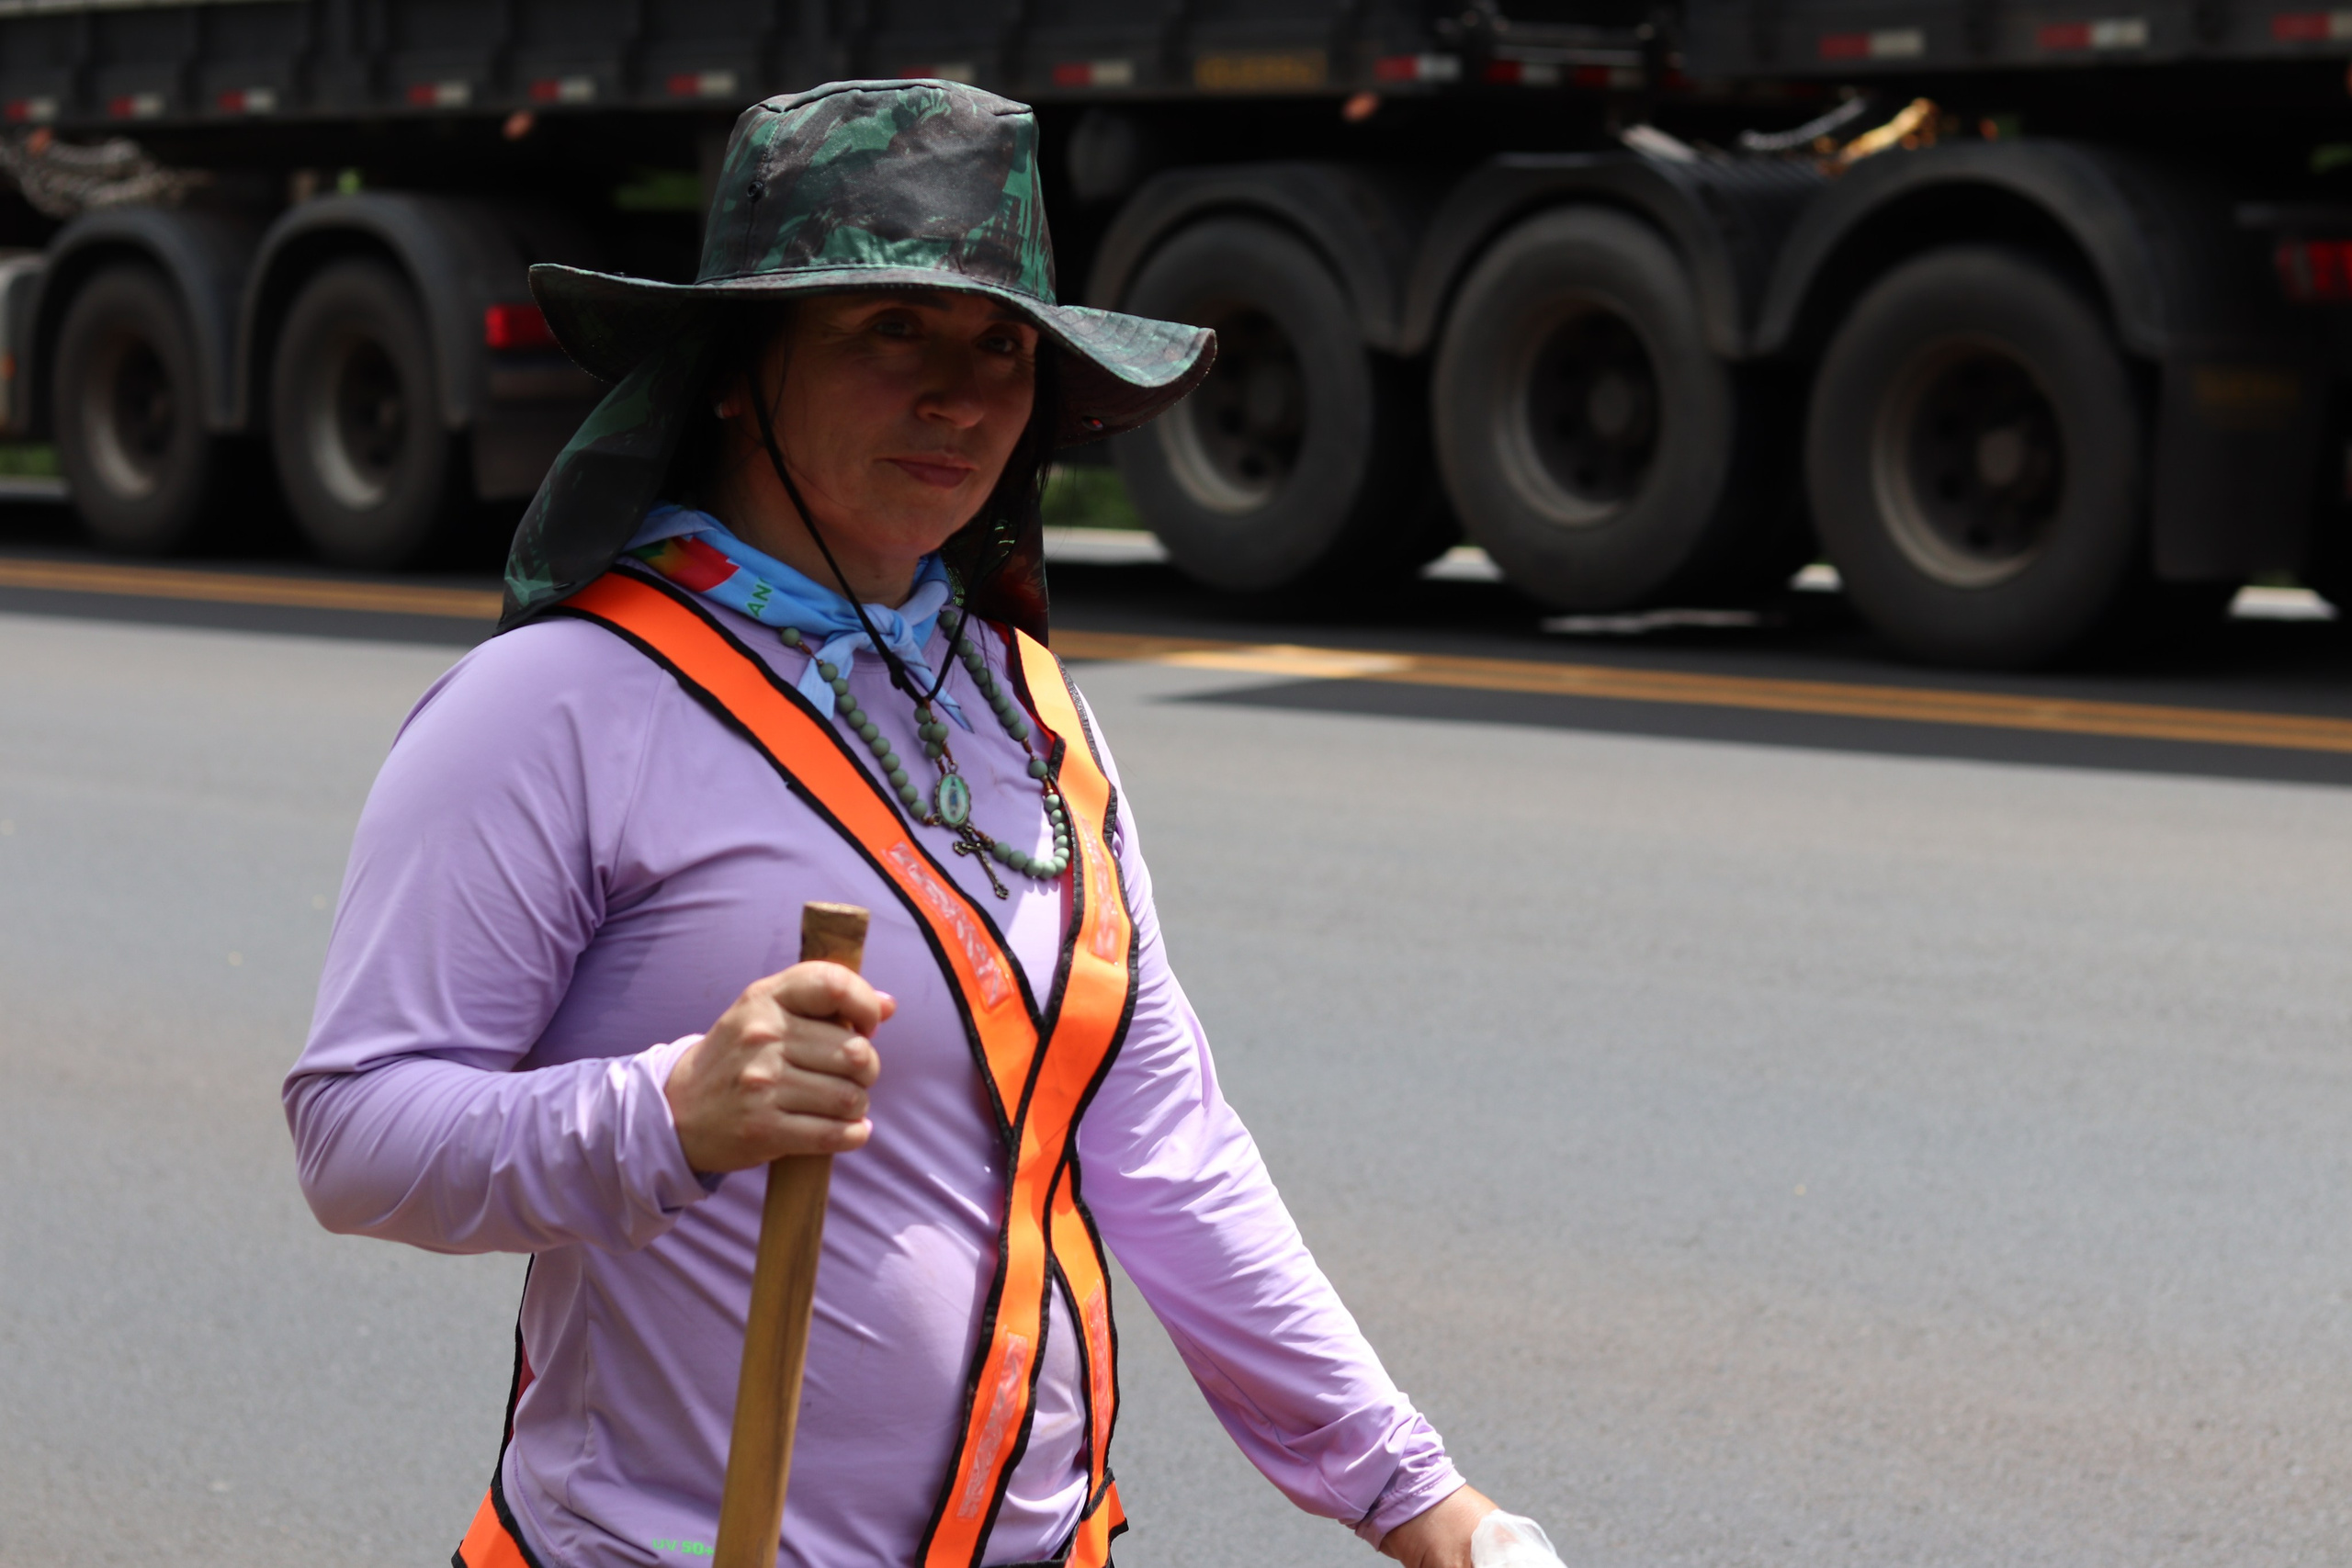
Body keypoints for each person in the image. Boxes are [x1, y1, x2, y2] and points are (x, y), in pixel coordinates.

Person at [285, 80, 1501, 1568]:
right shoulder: (552, 706)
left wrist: (1421, 1501)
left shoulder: (1031, 703)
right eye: (889, 330)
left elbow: (1163, 1148)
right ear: (735, 371)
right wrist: (667, 1111)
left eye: (1002, 344)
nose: (965, 393)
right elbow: (354, 1136)